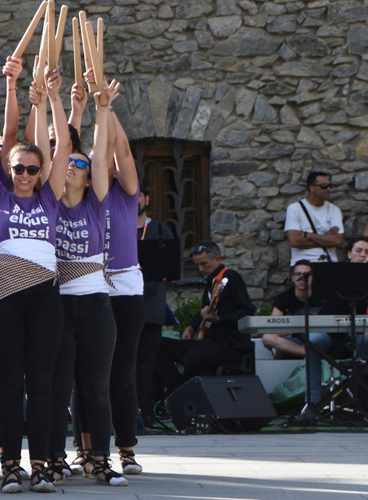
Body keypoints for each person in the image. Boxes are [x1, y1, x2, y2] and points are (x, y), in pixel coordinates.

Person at [0, 61, 66, 493]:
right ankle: (11, 464)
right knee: (9, 383)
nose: (24, 175)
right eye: (18, 169)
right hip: (5, 294)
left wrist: (49, 99)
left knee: (42, 384)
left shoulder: (50, 196)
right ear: (7, 170)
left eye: (31, 169)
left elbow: (61, 147)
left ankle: (42, 464)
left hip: (45, 293)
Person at [50, 74, 126, 486]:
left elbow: (100, 155)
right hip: (57, 303)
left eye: (81, 164)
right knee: (58, 387)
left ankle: (100, 459)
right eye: (69, 163)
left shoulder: (97, 203)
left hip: (95, 302)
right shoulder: (47, 202)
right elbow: (59, 147)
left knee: (96, 386)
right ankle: (55, 457)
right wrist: (55, 99)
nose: (75, 168)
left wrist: (100, 109)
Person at [156, 241, 255, 394]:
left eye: (204, 264)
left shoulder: (231, 278)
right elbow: (205, 310)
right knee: (159, 346)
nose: (201, 269)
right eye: (198, 265)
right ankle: (175, 394)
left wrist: (220, 319)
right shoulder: (210, 283)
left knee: (192, 358)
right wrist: (191, 326)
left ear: (217, 259)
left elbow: (247, 310)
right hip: (208, 341)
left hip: (230, 344)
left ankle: (194, 398)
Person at [305, 237, 368, 410]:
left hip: (357, 333)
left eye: (367, 252)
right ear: (349, 254)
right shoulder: (334, 274)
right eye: (358, 250)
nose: (363, 255)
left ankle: (362, 400)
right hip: (329, 329)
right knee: (313, 343)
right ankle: (313, 403)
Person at [135, 187, 176, 425]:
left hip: (151, 308)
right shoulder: (117, 227)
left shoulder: (161, 230)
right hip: (123, 305)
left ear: (147, 199)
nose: (135, 200)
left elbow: (167, 271)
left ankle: (146, 409)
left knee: (147, 362)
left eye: (138, 195)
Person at [284, 171, 344, 265]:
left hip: (329, 262)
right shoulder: (295, 208)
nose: (328, 189)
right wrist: (326, 238)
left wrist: (309, 235)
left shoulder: (334, 210)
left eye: (330, 185)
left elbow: (338, 241)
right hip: (303, 264)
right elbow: (295, 241)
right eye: (323, 186)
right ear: (312, 188)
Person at [262, 260, 318, 359]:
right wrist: (295, 331)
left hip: (318, 338)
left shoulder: (322, 296)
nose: (302, 278)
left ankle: (289, 351)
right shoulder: (284, 297)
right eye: (298, 274)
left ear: (313, 277)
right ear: (293, 277)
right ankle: (304, 352)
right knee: (267, 338)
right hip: (296, 338)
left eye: (307, 275)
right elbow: (272, 327)